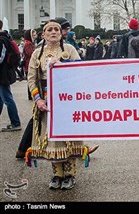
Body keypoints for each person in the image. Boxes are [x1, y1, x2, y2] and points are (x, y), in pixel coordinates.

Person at [25, 19, 89, 190]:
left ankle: (70, 175)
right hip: (47, 103)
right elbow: (31, 79)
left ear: (61, 33)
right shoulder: (37, 54)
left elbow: (79, 71)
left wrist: (63, 65)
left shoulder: (69, 49)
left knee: (68, 138)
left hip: (67, 101)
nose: (53, 32)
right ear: (43, 34)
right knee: (52, 140)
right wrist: (38, 99)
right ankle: (57, 174)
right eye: (49, 30)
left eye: (56, 29)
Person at [0, 19, 22, 132]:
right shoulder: (6, 38)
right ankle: (15, 122)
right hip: (4, 72)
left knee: (7, 98)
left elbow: (1, 58)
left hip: (2, 73)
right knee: (2, 98)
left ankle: (16, 122)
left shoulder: (1, 40)